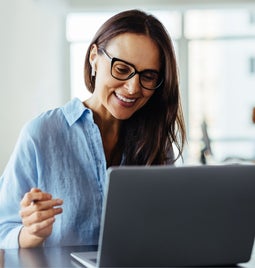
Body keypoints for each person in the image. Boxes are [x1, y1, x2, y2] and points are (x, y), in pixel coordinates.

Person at [0, 9, 186, 249]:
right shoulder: (41, 134)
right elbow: (2, 230)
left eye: (148, 76)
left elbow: (167, 228)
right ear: (94, 58)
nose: (132, 88)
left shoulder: (156, 140)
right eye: (121, 69)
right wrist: (30, 234)